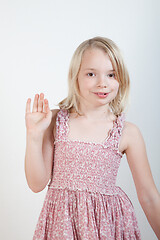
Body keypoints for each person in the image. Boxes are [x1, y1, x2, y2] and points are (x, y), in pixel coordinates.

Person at [25, 37, 160, 240]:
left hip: (107, 225)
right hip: (62, 226)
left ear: (121, 79)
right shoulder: (54, 121)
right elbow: (36, 184)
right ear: (75, 77)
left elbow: (149, 197)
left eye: (111, 74)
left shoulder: (128, 133)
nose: (102, 83)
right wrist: (34, 136)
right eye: (91, 74)